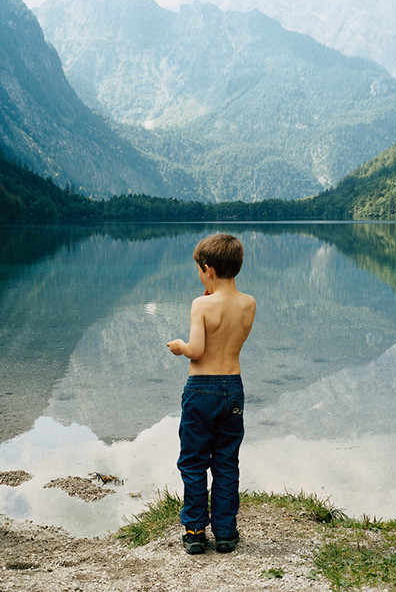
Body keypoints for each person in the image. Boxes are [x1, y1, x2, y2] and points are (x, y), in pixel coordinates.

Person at [167, 233, 256, 555]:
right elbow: (228, 335)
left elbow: (198, 350)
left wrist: (179, 347)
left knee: (193, 462)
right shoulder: (249, 303)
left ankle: (194, 532)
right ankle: (226, 532)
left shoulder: (201, 304)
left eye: (199, 270)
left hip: (202, 389)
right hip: (233, 388)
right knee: (226, 460)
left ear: (208, 269)